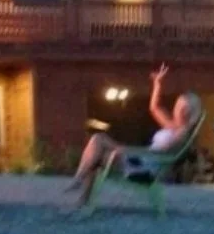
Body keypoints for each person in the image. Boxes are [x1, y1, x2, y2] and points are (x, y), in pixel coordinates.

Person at [67, 63, 202, 208]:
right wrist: (157, 84)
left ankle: (79, 183)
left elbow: (160, 152)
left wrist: (127, 150)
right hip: (139, 160)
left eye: (182, 107)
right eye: (178, 105)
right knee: (97, 147)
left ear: (188, 112)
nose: (178, 109)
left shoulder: (182, 133)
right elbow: (154, 108)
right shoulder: (172, 126)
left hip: (144, 167)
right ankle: (81, 193)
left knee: (98, 142)